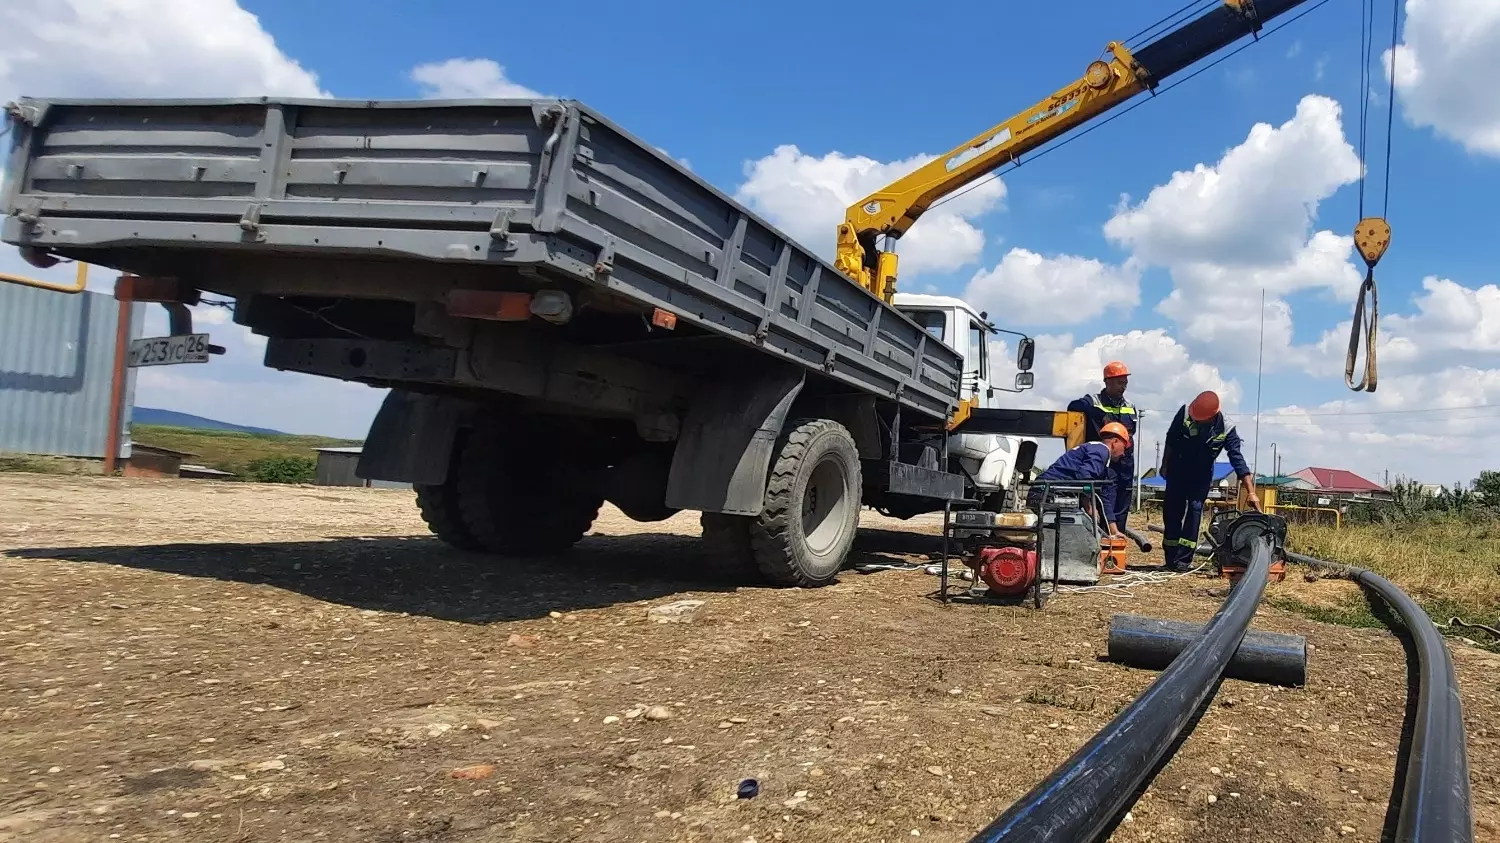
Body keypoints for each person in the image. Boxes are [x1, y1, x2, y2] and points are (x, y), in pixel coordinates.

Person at [1159, 390, 1261, 572]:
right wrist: (1164, 465)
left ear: (1212, 417)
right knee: (1172, 511)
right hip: (1178, 470)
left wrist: (1251, 492)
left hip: (1201, 474)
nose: (1196, 420)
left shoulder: (1227, 428)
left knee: (1195, 509)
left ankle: (1183, 561)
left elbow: (1237, 459)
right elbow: (1171, 439)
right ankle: (1170, 558)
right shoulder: (1185, 413)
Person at [1068, 361, 1138, 535]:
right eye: (1120, 382)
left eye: (1125, 383)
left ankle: (1117, 544)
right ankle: (1100, 544)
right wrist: (1101, 416)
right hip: (1104, 463)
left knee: (1122, 504)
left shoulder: (1130, 406)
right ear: (1107, 381)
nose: (1124, 387)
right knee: (1104, 502)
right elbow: (1074, 406)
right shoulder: (1093, 401)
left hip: (1126, 463)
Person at [1025, 422, 1132, 536]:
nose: (1124, 453)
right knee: (1079, 533)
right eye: (1124, 447)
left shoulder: (1098, 458)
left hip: (1041, 492)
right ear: (1115, 442)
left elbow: (1103, 497)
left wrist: (1114, 531)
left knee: (1070, 531)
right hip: (1049, 493)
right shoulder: (1101, 451)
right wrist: (1089, 507)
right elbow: (1085, 477)